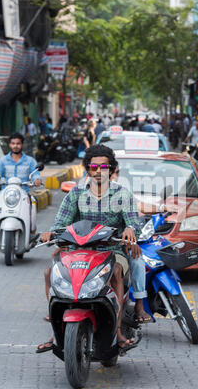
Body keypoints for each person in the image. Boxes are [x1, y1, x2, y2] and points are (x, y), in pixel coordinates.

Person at [37, 144, 152, 353]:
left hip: (112, 250)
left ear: (111, 168)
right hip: (77, 250)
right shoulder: (76, 194)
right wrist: (51, 233)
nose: (99, 171)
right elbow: (61, 222)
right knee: (49, 272)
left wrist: (129, 229)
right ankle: (56, 327)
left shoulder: (122, 194)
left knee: (116, 273)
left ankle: (117, 332)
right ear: (88, 169)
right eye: (94, 167)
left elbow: (132, 221)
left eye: (104, 167)